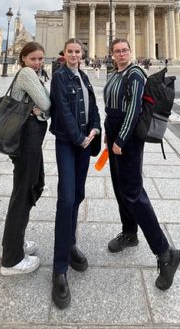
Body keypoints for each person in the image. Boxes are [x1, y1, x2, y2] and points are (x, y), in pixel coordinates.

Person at [104, 38, 180, 291]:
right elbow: (112, 107)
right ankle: (130, 233)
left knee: (134, 194)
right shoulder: (115, 73)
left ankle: (165, 253)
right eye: (117, 51)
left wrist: (122, 139)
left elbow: (135, 108)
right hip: (114, 135)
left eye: (125, 50)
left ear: (130, 52)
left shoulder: (135, 73)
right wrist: (109, 135)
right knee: (120, 189)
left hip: (127, 139)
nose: (121, 54)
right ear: (112, 54)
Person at [50, 38, 101, 309]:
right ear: (64, 54)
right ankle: (59, 269)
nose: (73, 55)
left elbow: (93, 108)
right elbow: (64, 111)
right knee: (66, 199)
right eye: (69, 51)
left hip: (84, 143)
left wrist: (94, 129)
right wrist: (79, 136)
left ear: (82, 54)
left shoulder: (83, 76)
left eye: (77, 52)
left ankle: (70, 245)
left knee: (78, 195)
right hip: (68, 143)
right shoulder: (59, 77)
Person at [0, 41, 51, 276]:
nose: (38, 63)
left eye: (41, 59)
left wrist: (43, 109)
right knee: (23, 193)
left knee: (32, 185)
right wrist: (44, 108)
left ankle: (15, 242)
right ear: (23, 59)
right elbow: (46, 103)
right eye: (34, 59)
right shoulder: (27, 74)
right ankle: (12, 259)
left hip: (29, 142)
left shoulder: (31, 73)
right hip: (26, 141)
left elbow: (44, 106)